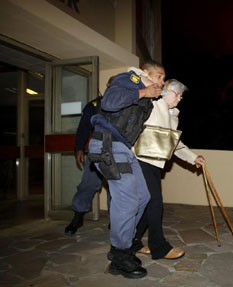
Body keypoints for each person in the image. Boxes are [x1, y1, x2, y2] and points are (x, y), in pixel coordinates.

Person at [88, 60, 164, 279]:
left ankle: (124, 246)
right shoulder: (129, 79)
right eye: (159, 77)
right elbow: (110, 102)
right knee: (127, 200)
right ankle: (120, 256)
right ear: (146, 74)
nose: (162, 82)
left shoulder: (147, 99)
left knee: (143, 197)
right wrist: (142, 91)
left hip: (123, 149)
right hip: (108, 144)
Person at [132, 79, 206, 260]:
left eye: (181, 95)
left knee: (148, 202)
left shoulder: (172, 114)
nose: (180, 98)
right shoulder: (153, 104)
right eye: (177, 94)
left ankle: (132, 241)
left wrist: (193, 157)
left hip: (154, 162)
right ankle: (159, 247)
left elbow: (172, 141)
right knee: (155, 202)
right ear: (165, 91)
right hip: (140, 159)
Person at [65, 76, 114, 236]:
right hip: (97, 149)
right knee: (88, 184)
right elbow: (83, 128)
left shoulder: (127, 104)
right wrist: (79, 148)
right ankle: (77, 217)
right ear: (107, 84)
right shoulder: (94, 105)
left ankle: (116, 220)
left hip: (117, 150)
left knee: (116, 187)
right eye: (113, 83)